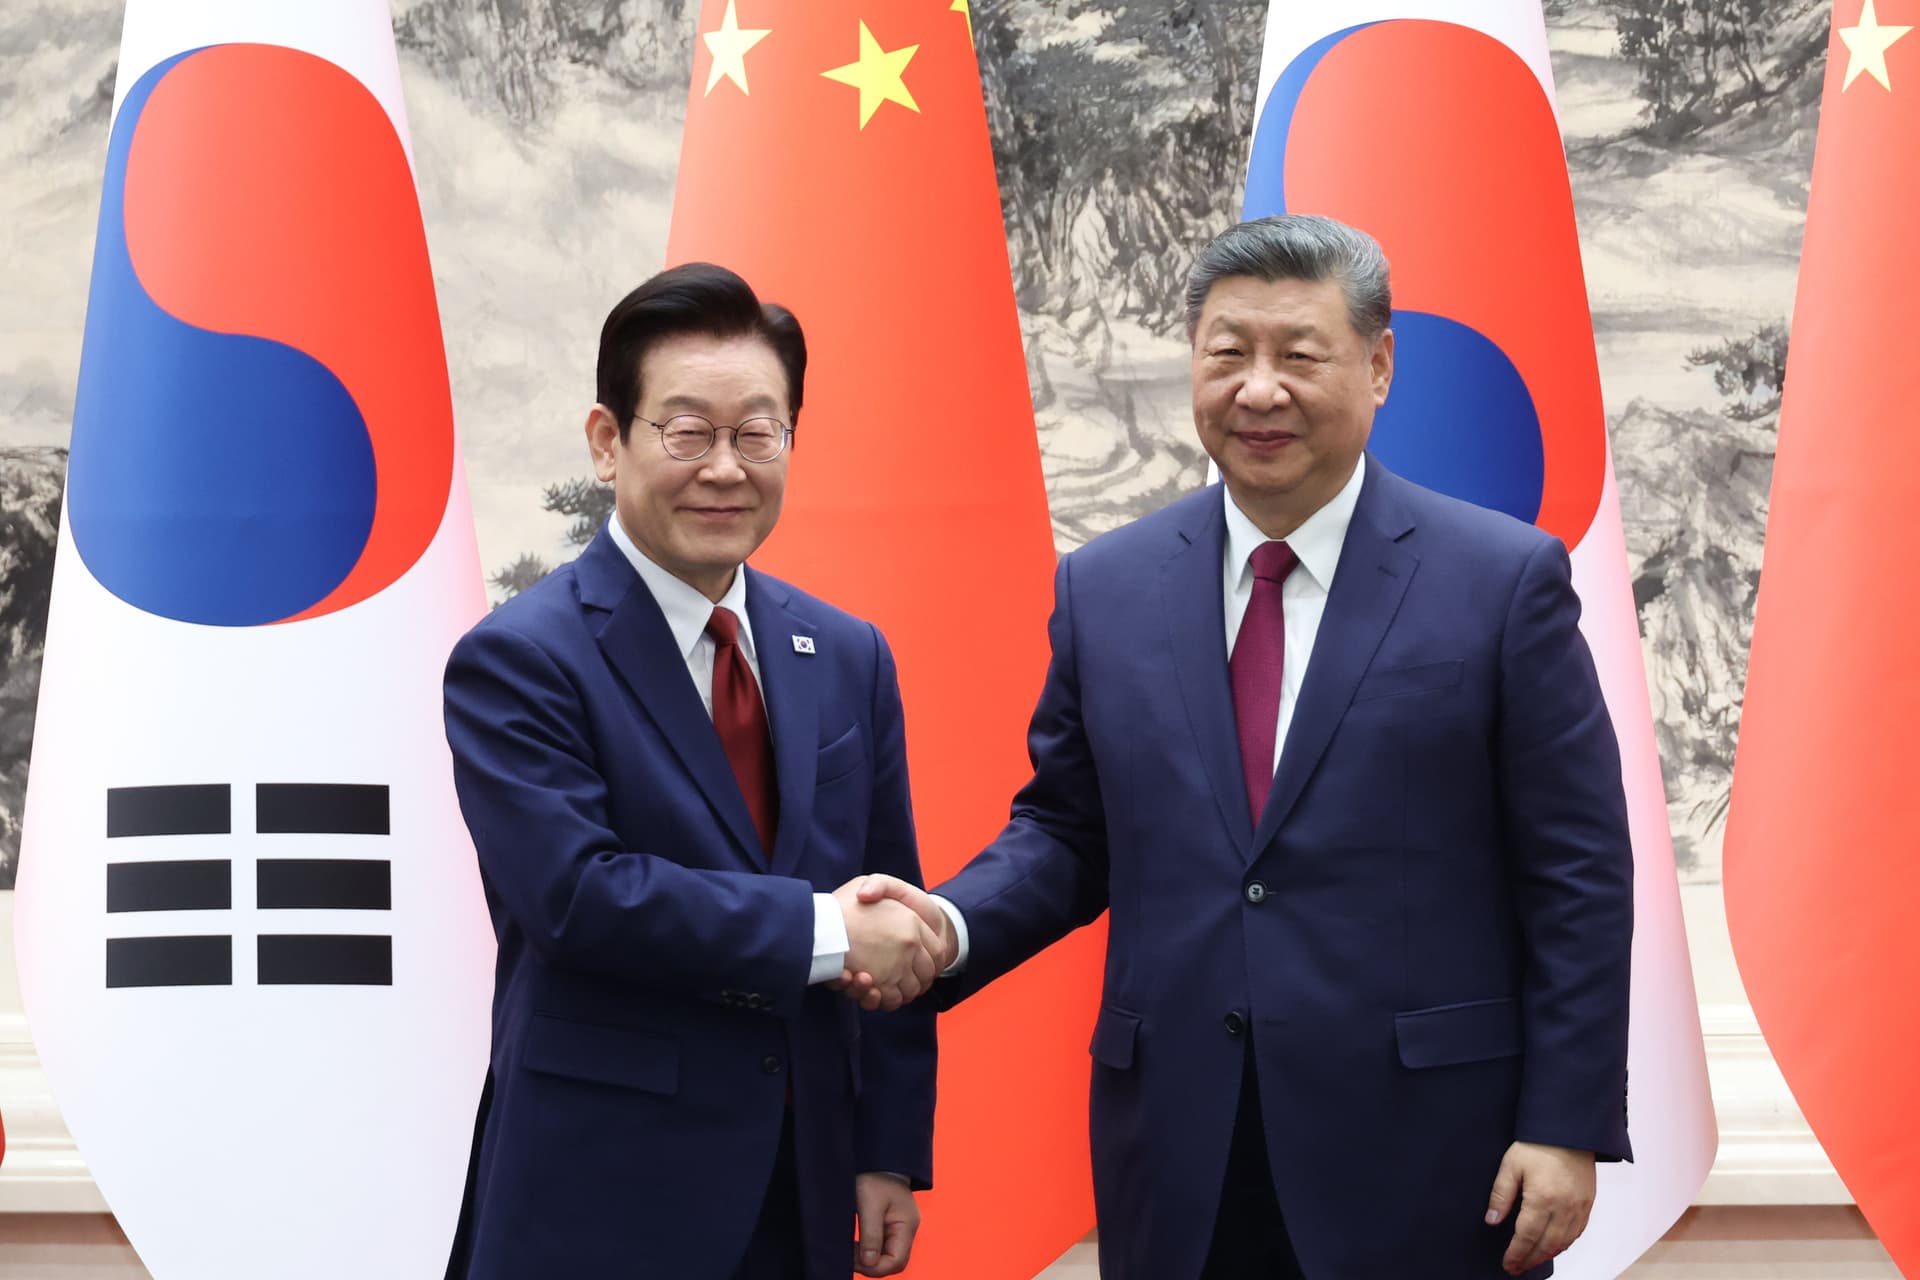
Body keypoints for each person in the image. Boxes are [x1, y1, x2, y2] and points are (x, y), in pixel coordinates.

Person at [857, 214, 1633, 1279]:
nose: (1258, 389)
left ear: (1379, 364)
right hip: (1182, 1149)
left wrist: (1567, 1121)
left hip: (1429, 1152)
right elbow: (1067, 831)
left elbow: (1578, 871)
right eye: (1228, 352)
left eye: (1299, 354)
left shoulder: (1501, 581)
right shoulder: (1109, 588)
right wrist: (946, 923)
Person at [442, 263, 941, 1280]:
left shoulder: (849, 654)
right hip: (600, 1192)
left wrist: (889, 1145)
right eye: (686, 431)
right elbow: (580, 896)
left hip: (800, 1187)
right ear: (606, 440)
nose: (725, 466)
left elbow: (891, 892)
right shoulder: (521, 656)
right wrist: (825, 928)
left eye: (758, 432)